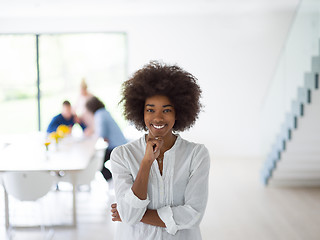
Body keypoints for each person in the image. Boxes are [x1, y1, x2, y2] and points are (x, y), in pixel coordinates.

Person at [110, 61, 210, 240]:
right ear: (141, 112)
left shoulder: (196, 154)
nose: (158, 117)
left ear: (178, 113)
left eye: (166, 110)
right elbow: (129, 215)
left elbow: (194, 214)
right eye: (150, 110)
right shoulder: (122, 155)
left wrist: (134, 215)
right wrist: (146, 162)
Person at [85, 96, 127, 181]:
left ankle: (111, 182)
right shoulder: (104, 112)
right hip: (120, 144)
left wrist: (91, 135)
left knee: (98, 163)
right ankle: (111, 181)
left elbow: (101, 134)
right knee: (100, 161)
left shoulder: (99, 114)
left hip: (116, 147)